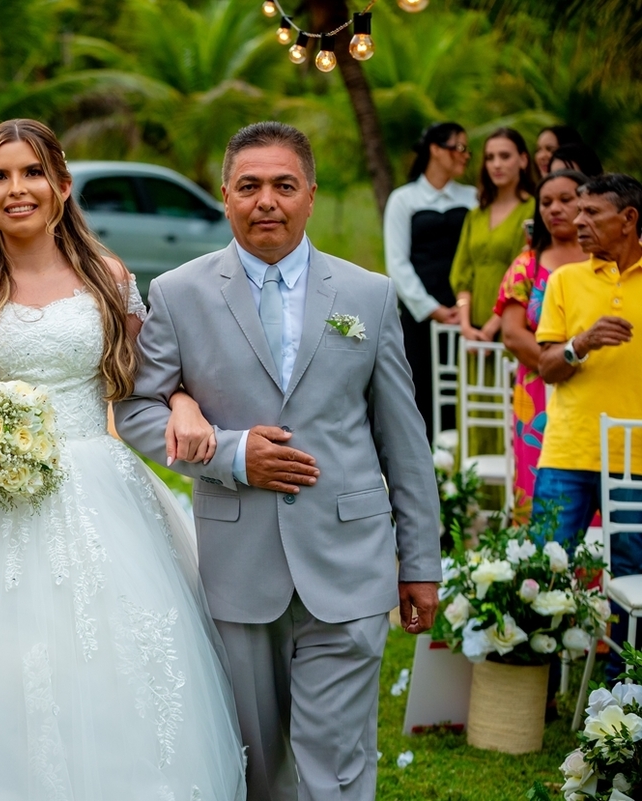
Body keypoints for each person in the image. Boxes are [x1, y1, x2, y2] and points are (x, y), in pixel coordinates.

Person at [0, 119, 246, 799]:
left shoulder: (108, 275)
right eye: (0, 176)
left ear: (62, 186)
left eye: (33, 173)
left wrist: (184, 402)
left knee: (111, 659)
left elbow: (149, 378)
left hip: (99, 488)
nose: (17, 189)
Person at [116, 121, 442, 801]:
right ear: (225, 196)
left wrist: (420, 563)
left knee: (336, 765)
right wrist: (233, 454)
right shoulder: (177, 293)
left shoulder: (369, 294)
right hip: (239, 566)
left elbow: (404, 440)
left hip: (349, 560)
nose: (267, 200)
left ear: (311, 195)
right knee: (257, 766)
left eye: (284, 185)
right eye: (250, 186)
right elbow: (138, 408)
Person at [533, 172, 642, 675]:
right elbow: (546, 366)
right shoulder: (564, 280)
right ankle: (537, 686)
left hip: (636, 458)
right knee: (544, 570)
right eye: (577, 211)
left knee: (634, 579)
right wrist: (581, 343)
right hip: (568, 452)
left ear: (629, 219)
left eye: (591, 212)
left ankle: (624, 690)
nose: (577, 221)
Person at [493, 170, 588, 520]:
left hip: (596, 387)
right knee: (540, 489)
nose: (554, 209)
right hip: (537, 392)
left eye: (565, 199)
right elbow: (513, 334)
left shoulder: (606, 262)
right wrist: (559, 366)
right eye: (546, 203)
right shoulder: (527, 264)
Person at [383, 122, 478, 442]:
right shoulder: (403, 199)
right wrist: (431, 309)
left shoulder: (473, 198)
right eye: (459, 147)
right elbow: (397, 263)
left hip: (468, 311)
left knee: (466, 385)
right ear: (436, 150)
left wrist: (463, 308)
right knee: (421, 384)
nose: (465, 155)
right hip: (419, 313)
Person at [451, 127, 537, 342]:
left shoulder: (534, 210)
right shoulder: (475, 215)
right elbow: (462, 274)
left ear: (523, 160)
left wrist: (493, 325)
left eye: (505, 156)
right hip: (472, 328)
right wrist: (465, 325)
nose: (496, 164)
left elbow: (527, 272)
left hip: (514, 325)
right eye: (490, 158)